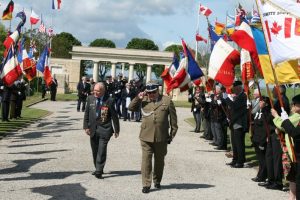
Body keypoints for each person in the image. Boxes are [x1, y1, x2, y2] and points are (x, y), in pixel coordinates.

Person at [128, 81, 178, 194]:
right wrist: (138, 98)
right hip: (145, 136)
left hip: (162, 136)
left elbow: (174, 121)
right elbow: (130, 108)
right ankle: (146, 184)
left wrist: (171, 135)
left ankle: (157, 180)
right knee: (146, 160)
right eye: (149, 92)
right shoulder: (143, 100)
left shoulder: (167, 100)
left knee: (159, 161)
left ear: (158, 90)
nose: (151, 95)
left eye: (154, 92)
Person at [83, 82, 120, 179]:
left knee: (101, 150)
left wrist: (117, 130)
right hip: (93, 129)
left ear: (103, 91)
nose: (95, 92)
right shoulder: (90, 98)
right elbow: (87, 113)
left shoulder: (110, 100)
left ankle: (99, 170)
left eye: (97, 91)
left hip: (105, 129)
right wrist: (86, 126)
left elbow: (114, 117)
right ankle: (97, 168)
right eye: (94, 90)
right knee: (95, 150)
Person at [271, 94, 300, 199]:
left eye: (294, 104)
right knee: (293, 176)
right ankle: (291, 197)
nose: (292, 107)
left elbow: (291, 130)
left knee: (295, 176)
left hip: (293, 150)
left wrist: (277, 117)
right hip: (293, 150)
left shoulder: (298, 116)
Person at [225, 80, 248, 168]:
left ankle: (240, 161)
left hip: (239, 123)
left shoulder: (243, 96)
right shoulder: (237, 96)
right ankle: (235, 159)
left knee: (239, 143)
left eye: (234, 88)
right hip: (233, 122)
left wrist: (227, 98)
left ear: (239, 87)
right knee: (234, 143)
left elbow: (235, 107)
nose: (233, 90)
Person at [251, 96, 272, 183]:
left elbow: (265, 128)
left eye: (261, 102)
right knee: (260, 159)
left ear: (266, 103)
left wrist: (262, 142)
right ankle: (260, 174)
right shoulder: (259, 111)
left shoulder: (266, 112)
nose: (259, 103)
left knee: (263, 159)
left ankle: (262, 176)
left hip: (262, 139)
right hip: (256, 138)